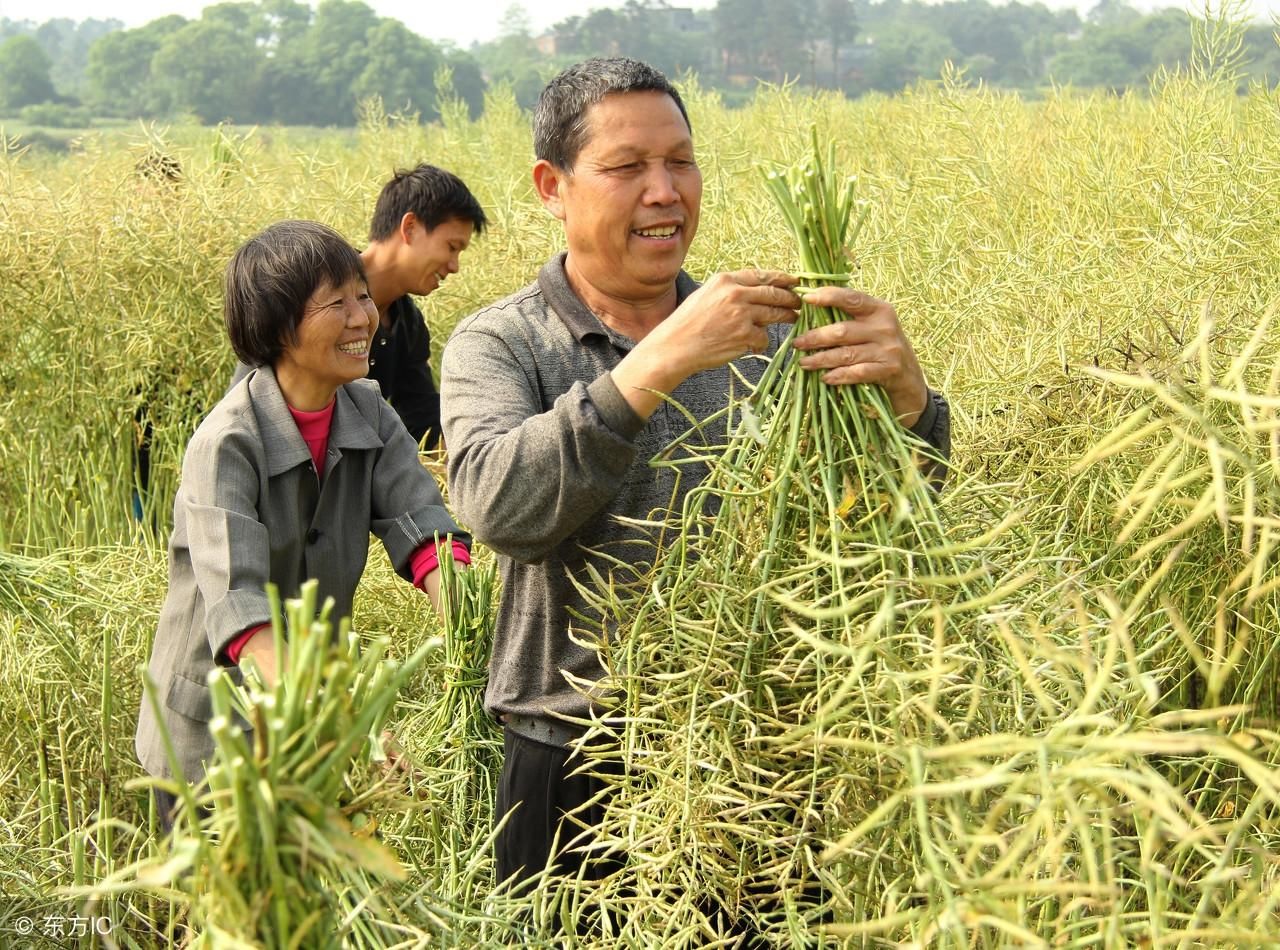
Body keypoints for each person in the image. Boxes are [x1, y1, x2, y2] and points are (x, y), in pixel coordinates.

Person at [439, 58, 950, 891]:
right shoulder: (499, 344)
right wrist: (663, 359)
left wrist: (909, 401)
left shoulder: (773, 335)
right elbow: (498, 507)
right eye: (626, 167)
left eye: (681, 161)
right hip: (575, 760)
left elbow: (890, 520)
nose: (665, 191)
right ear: (552, 186)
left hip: (760, 756)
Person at [136, 220, 471, 823]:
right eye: (335, 304)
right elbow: (243, 615)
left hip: (308, 730)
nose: (362, 318)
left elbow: (422, 522)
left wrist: (467, 619)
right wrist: (353, 732)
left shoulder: (367, 408)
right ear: (279, 327)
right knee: (219, 912)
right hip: (216, 740)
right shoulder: (228, 442)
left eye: (363, 296)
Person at [230, 164, 487, 449]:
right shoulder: (308, 285)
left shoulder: (408, 325)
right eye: (452, 247)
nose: (454, 267)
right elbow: (244, 401)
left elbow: (421, 420)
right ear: (410, 228)